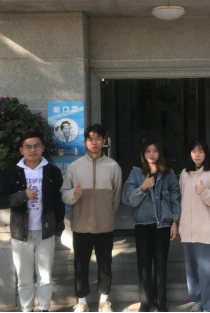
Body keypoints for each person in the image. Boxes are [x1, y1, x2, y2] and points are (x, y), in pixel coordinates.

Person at [0, 131, 65, 313]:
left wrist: (59, 228)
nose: (32, 150)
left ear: (42, 148)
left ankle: (44, 308)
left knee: (45, 276)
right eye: (28, 147)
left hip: (46, 232)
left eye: (36, 146)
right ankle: (27, 309)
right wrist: (22, 196)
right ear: (21, 150)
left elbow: (58, 202)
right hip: (21, 233)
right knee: (24, 278)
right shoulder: (11, 173)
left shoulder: (52, 171)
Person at [61, 124, 123, 313]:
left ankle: (104, 301)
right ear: (85, 141)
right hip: (81, 225)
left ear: (104, 141)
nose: (94, 142)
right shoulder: (74, 167)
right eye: (90, 138)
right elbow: (64, 194)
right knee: (81, 266)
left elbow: (116, 196)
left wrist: (107, 213)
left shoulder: (113, 166)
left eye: (98, 138)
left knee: (105, 265)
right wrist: (74, 194)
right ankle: (82, 302)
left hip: (105, 225)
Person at [123, 138, 181, 312]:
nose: (152, 154)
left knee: (161, 264)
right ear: (143, 154)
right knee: (144, 264)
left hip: (163, 224)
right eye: (148, 151)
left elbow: (175, 197)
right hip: (143, 223)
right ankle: (145, 301)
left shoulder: (168, 173)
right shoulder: (136, 173)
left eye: (155, 151)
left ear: (159, 152)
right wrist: (143, 187)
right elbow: (128, 199)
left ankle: (161, 301)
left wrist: (175, 222)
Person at [179, 139, 210, 313]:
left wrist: (205, 192)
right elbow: (182, 200)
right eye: (194, 151)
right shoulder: (184, 174)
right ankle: (198, 300)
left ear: (206, 154)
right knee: (192, 271)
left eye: (201, 151)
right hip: (188, 230)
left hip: (206, 231)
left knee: (207, 271)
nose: (197, 155)